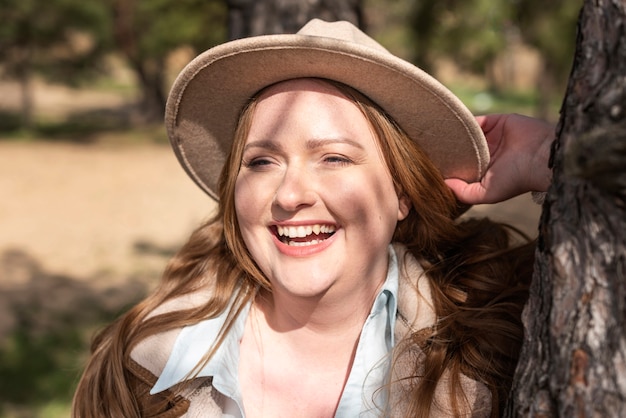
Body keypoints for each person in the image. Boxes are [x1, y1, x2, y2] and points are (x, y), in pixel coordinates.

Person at [72, 19, 554, 417]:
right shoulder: (136, 368)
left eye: (334, 158)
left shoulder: (501, 340)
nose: (290, 194)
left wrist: (556, 158)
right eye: (261, 161)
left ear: (401, 193)